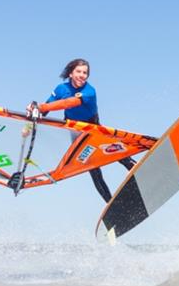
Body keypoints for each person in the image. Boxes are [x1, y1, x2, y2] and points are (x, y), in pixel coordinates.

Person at [34, 58, 136, 203]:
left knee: (114, 151)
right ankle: (110, 203)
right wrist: (32, 118)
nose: (82, 75)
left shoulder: (89, 91)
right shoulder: (60, 89)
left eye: (85, 73)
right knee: (93, 169)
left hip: (93, 127)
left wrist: (41, 107)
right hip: (75, 132)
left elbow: (69, 103)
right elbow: (45, 108)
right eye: (79, 72)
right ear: (70, 73)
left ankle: (135, 168)